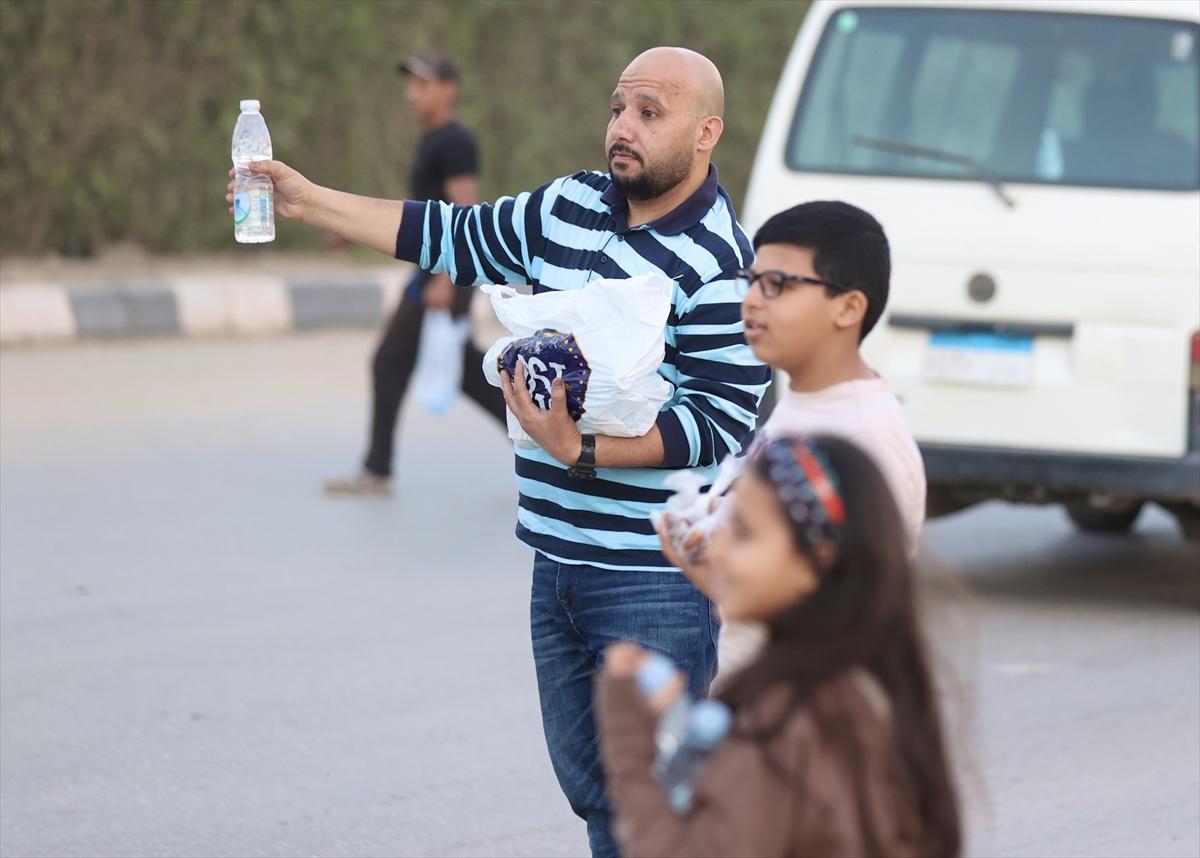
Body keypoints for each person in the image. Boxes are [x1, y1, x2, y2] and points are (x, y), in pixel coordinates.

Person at [225, 47, 769, 856]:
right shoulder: (568, 208)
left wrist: (583, 450)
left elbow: (721, 421)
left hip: (654, 582)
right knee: (600, 803)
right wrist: (310, 202)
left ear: (705, 134)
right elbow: (452, 234)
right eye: (619, 107)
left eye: (650, 114)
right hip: (557, 568)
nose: (623, 128)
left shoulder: (722, 262)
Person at [597, 434, 962, 857]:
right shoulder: (857, 688)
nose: (718, 543)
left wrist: (630, 729)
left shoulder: (781, 721)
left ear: (816, 563)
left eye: (744, 532)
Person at [657, 201, 926, 684]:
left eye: (779, 285)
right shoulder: (807, 402)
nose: (754, 300)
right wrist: (710, 566)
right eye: (753, 279)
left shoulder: (861, 438)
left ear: (848, 307)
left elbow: (846, 623)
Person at [323, 50, 507, 497]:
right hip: (437, 273)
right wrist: (355, 230)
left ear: (449, 90)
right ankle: (552, 447)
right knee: (464, 371)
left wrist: (446, 279)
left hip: (447, 274)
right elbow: (424, 211)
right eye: (410, 84)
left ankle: (377, 470)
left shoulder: (455, 142)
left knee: (390, 361)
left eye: (423, 84)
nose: (412, 94)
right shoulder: (433, 140)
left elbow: (463, 212)